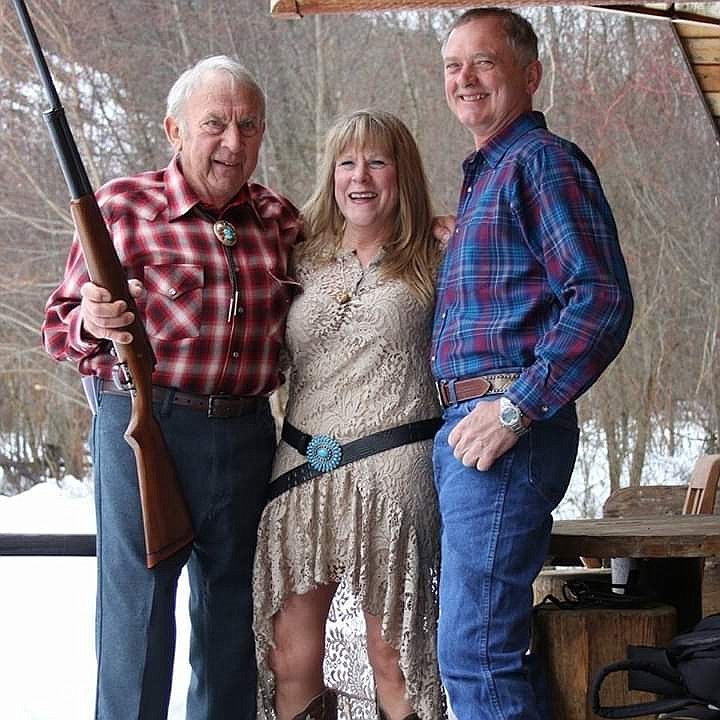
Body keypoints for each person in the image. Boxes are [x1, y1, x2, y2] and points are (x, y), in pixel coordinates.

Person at [41, 56, 301, 720]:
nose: (233, 143)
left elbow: (346, 276)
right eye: (214, 123)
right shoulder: (122, 208)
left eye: (248, 125)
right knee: (139, 627)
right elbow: (58, 328)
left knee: (232, 629)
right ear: (174, 129)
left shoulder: (280, 219)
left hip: (247, 436)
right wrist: (92, 321)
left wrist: (424, 235)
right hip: (144, 431)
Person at [432, 8, 634, 720]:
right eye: (454, 66)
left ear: (529, 72)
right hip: (470, 428)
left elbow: (602, 300)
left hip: (504, 428)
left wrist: (517, 408)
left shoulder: (541, 161)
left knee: (477, 653)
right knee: (478, 648)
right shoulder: (489, 173)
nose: (465, 78)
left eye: (483, 62)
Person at [252, 109, 445, 720]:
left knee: (394, 656)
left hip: (395, 469)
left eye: (377, 161)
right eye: (347, 162)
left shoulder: (438, 256)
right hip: (301, 467)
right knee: (289, 657)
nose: (360, 176)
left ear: (403, 174)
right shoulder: (296, 254)